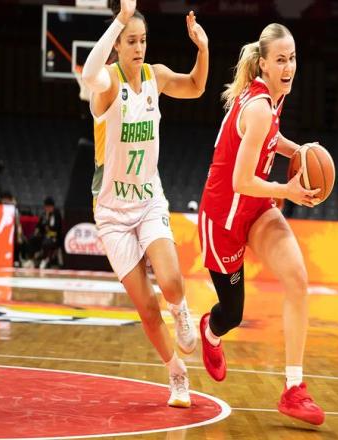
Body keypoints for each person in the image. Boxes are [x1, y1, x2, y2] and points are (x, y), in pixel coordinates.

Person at [82, 0, 209, 408]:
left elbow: (196, 86)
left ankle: (182, 310)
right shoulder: (106, 86)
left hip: (148, 199)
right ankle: (176, 373)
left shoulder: (156, 77)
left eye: (143, 40)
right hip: (112, 213)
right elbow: (88, 73)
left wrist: (203, 49)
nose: (139, 48)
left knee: (171, 283)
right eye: (131, 41)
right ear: (117, 46)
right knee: (148, 308)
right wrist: (120, 18)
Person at [198, 23, 324, 425]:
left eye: (293, 58)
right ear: (264, 65)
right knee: (232, 315)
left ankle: (294, 389)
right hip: (222, 219)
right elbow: (240, 181)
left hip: (255, 209)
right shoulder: (257, 108)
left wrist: (301, 151)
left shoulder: (273, 99)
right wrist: (287, 191)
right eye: (281, 60)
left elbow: (272, 139)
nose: (289, 67)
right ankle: (211, 330)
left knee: (297, 278)